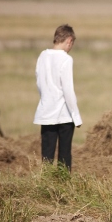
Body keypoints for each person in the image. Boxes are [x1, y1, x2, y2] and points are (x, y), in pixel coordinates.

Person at [33, 24, 82, 171]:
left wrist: (46, 99)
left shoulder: (42, 56)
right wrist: (76, 116)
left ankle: (46, 182)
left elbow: (39, 82)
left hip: (46, 112)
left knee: (47, 156)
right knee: (64, 155)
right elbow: (68, 90)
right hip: (64, 115)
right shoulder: (66, 59)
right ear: (69, 40)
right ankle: (63, 182)